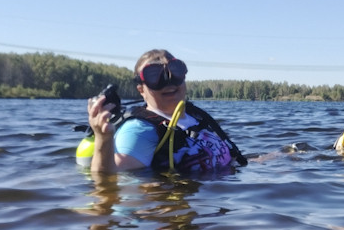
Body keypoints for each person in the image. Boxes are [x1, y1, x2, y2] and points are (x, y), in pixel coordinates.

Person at [86, 49, 247, 173]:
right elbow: (109, 177)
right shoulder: (139, 130)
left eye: (174, 71)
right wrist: (103, 139)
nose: (168, 82)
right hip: (177, 211)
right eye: (154, 75)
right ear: (141, 90)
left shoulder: (195, 116)